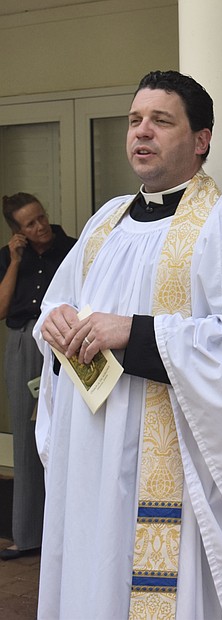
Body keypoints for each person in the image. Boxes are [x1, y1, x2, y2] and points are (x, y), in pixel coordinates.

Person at [34, 70, 222, 618]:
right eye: (135, 120)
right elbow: (58, 305)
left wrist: (134, 331)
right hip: (94, 454)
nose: (141, 132)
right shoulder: (105, 222)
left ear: (201, 139)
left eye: (160, 120)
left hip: (179, 466)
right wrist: (54, 323)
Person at [0, 193, 75, 561]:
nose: (40, 226)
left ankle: (66, 533)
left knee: (66, 432)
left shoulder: (71, 248)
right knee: (26, 435)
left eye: (41, 217)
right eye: (30, 224)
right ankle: (27, 535)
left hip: (63, 340)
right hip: (22, 343)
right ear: (18, 231)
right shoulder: (10, 256)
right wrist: (15, 261)